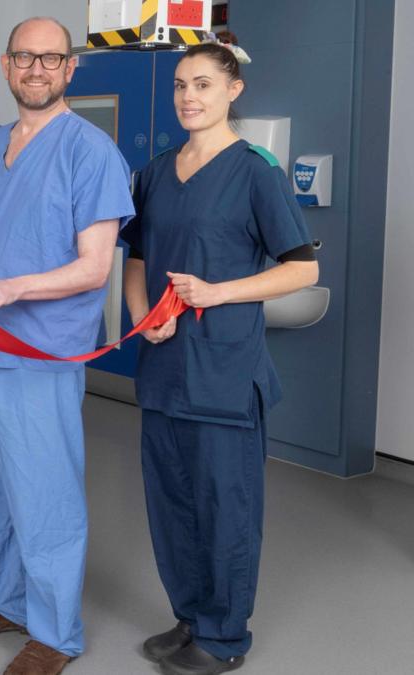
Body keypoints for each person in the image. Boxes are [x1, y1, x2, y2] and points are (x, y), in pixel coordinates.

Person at [0, 18, 135, 675]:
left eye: (51, 58)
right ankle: (7, 598)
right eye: (25, 57)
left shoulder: (90, 151)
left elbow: (93, 267)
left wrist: (14, 287)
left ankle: (55, 632)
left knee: (44, 492)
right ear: (8, 63)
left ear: (70, 69)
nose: (37, 69)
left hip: (42, 352)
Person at [122, 35, 318, 675]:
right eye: (181, 85)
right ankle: (191, 616)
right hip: (165, 370)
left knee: (225, 507)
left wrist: (218, 291)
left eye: (203, 84)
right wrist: (139, 315)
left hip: (225, 374)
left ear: (233, 91)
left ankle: (225, 636)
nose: (188, 97)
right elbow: (139, 258)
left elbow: (302, 270)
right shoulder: (154, 173)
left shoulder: (255, 172)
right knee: (172, 502)